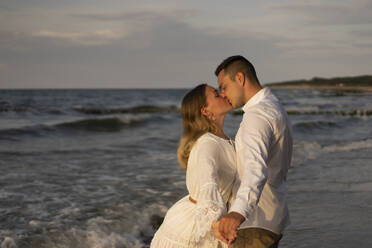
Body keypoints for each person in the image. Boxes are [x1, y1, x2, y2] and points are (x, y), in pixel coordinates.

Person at [213, 55, 293, 248]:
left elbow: (255, 170)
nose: (222, 94)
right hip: (272, 216)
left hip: (255, 223)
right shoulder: (273, 106)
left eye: (224, 87)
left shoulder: (256, 116)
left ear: (240, 79)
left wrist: (237, 213)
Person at [150, 84, 237, 248]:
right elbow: (207, 182)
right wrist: (214, 224)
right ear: (205, 111)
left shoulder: (224, 140)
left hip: (208, 216)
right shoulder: (207, 143)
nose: (224, 95)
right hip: (197, 224)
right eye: (216, 95)